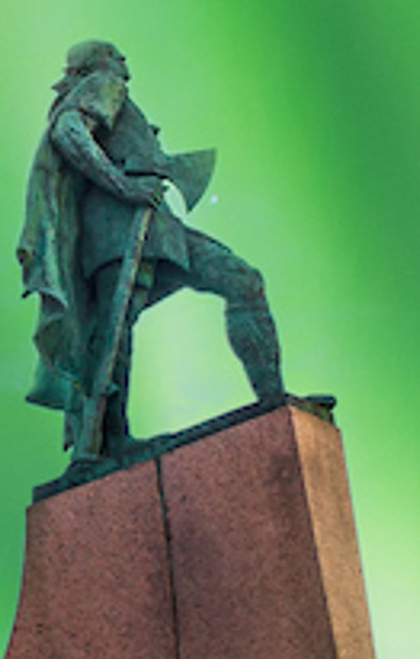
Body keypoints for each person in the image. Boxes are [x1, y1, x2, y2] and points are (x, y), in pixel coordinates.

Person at [18, 40, 282, 473]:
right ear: (96, 65)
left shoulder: (113, 93)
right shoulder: (103, 84)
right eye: (115, 54)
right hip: (121, 226)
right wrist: (125, 187)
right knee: (113, 333)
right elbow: (68, 132)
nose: (124, 61)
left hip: (154, 225)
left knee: (238, 281)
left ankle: (274, 404)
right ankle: (106, 444)